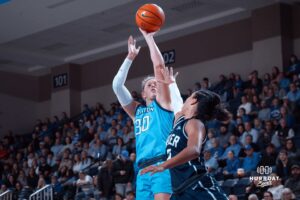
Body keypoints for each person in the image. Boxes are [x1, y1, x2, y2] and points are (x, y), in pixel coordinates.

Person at [141, 68, 229, 199]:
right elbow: (177, 102)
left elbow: (193, 150)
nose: (185, 99)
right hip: (179, 191)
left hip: (197, 185)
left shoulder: (195, 123)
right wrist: (171, 83)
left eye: (189, 97)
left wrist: (163, 166)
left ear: (193, 101)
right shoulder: (179, 120)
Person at [112, 30, 176, 199]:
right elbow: (117, 86)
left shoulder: (164, 104)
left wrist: (149, 38)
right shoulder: (136, 111)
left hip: (163, 164)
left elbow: (159, 68)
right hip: (142, 171)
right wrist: (130, 58)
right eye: (150, 85)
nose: (154, 85)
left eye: (156, 84)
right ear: (143, 94)